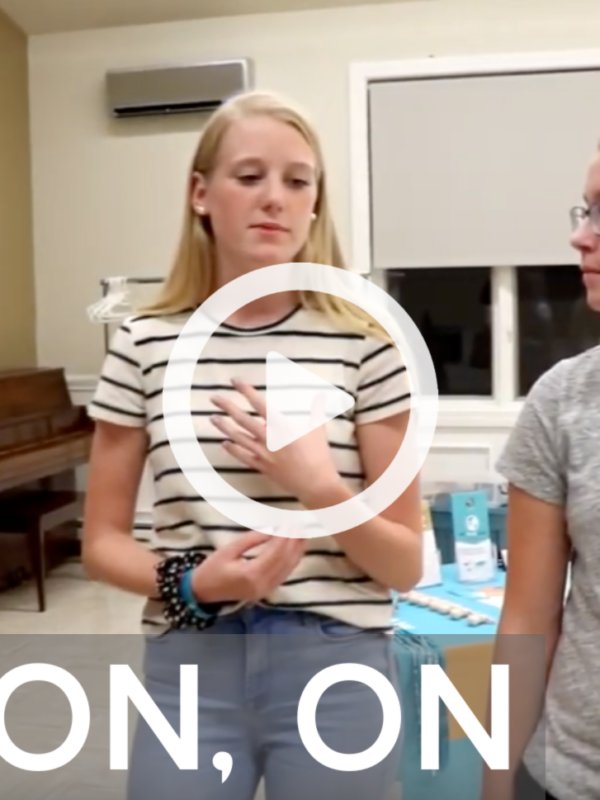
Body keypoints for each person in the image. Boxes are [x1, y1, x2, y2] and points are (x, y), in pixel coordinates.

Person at [81, 90, 422, 800]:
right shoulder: (142, 345)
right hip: (192, 661)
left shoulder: (367, 345)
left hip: (337, 666)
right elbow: (102, 543)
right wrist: (195, 585)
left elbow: (406, 564)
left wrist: (317, 486)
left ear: (316, 203)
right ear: (201, 194)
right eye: (249, 176)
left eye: (298, 181)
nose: (275, 198)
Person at [482, 142, 600, 800]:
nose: (580, 236)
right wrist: (497, 785)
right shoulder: (561, 402)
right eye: (586, 210)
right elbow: (527, 621)